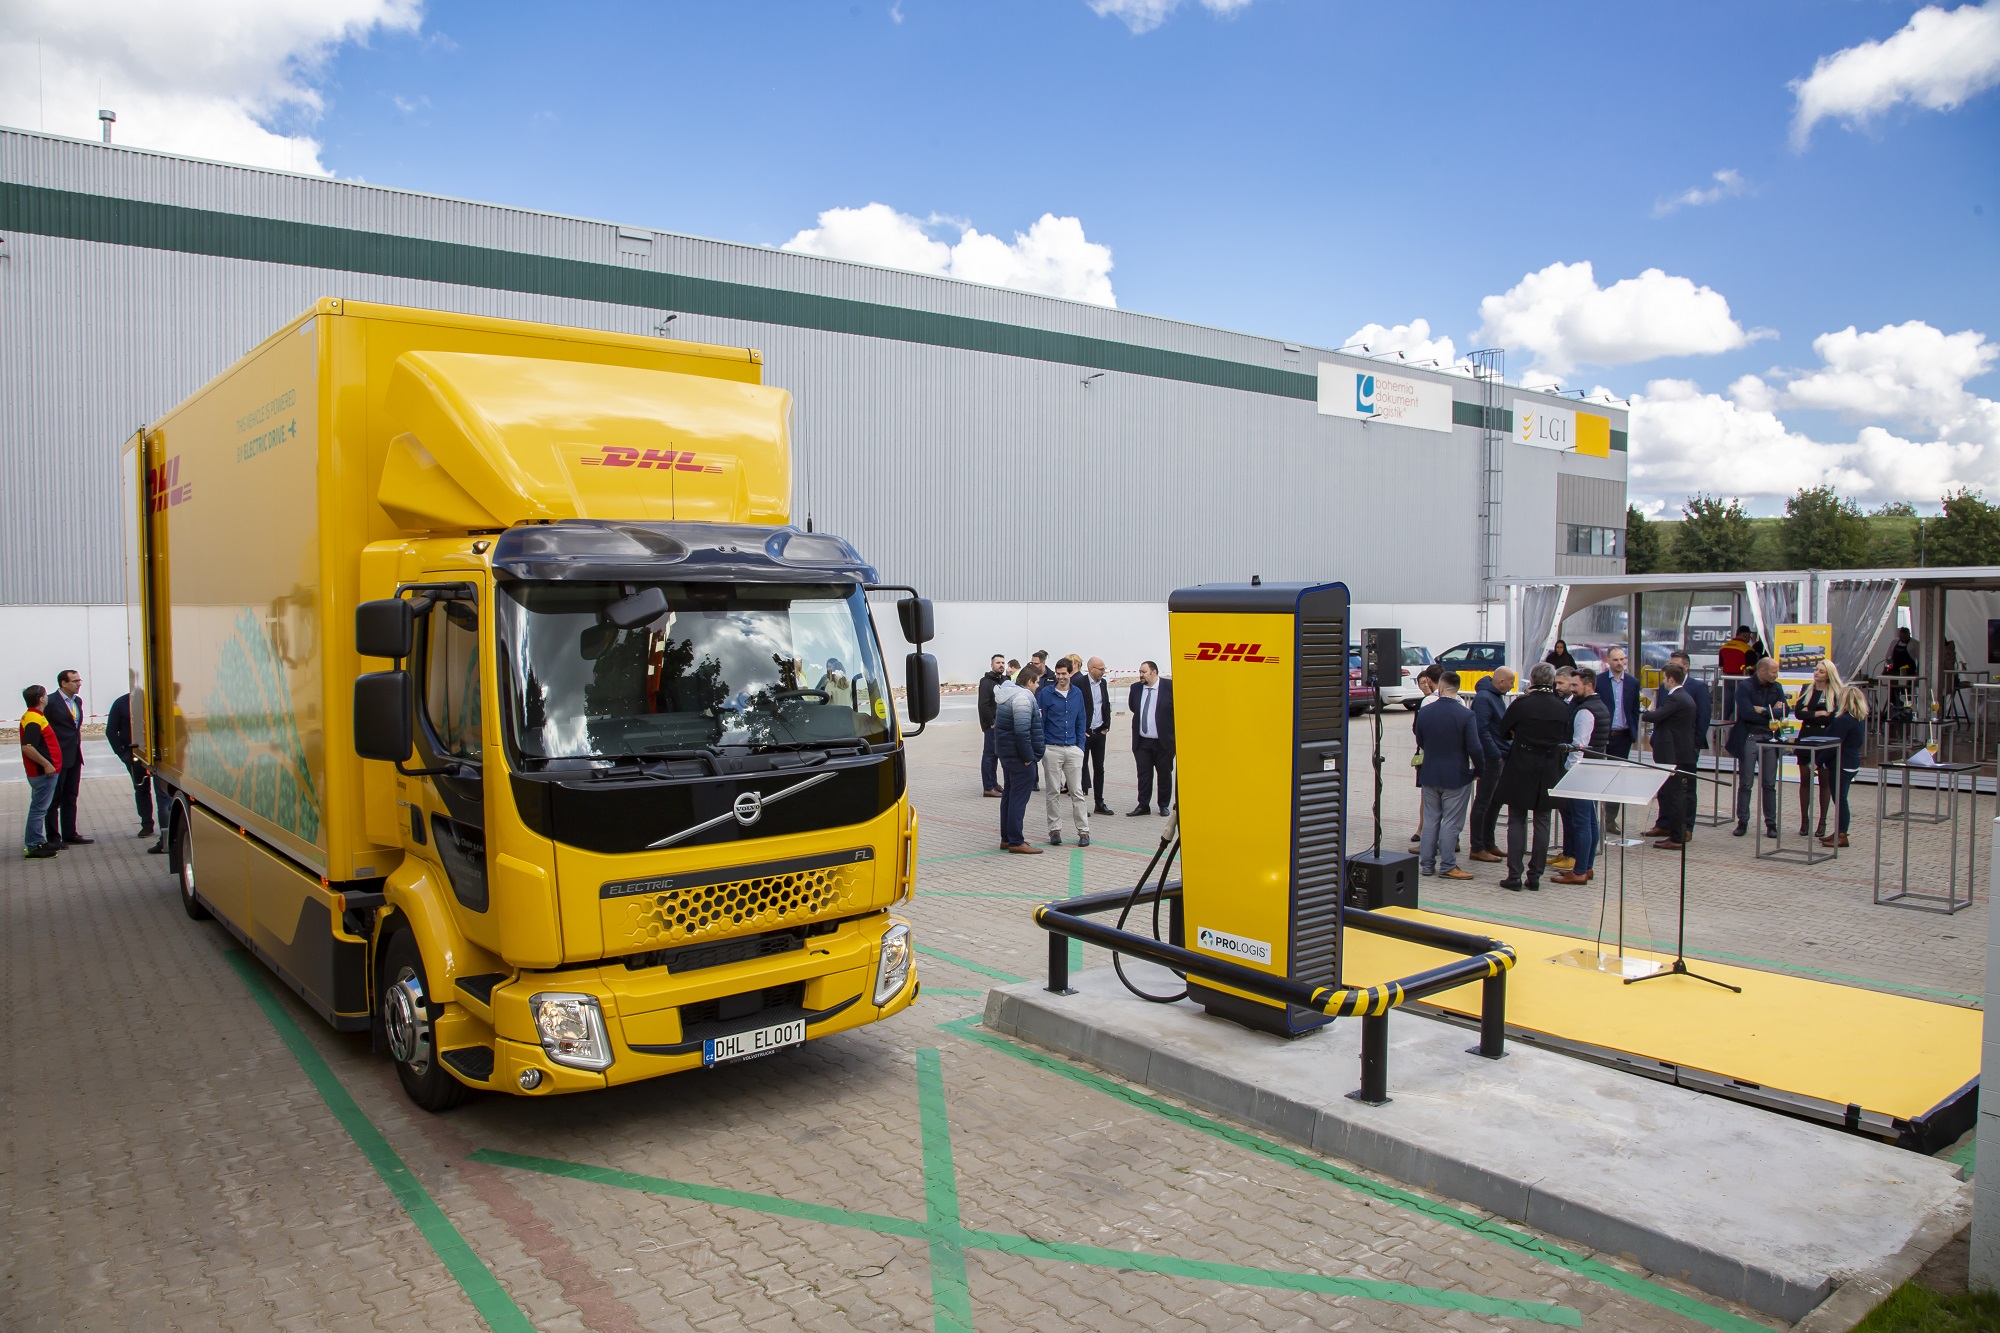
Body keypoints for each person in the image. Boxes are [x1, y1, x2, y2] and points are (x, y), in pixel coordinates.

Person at [1494, 663, 1572, 891]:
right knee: (1543, 820)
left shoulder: (1522, 705)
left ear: (1532, 679)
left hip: (1522, 764)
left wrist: (1517, 733)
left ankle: (1514, 875)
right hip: (1549, 767)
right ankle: (1535, 875)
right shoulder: (1561, 707)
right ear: (1552, 680)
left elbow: (1502, 731)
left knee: (1517, 819)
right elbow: (1565, 735)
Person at [1413, 670, 1481, 880]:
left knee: (1432, 819)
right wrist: (1479, 770)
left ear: (1440, 688)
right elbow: (1475, 747)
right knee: (1451, 821)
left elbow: (1420, 740)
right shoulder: (1466, 715)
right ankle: (1448, 865)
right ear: (1457, 689)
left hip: (1430, 772)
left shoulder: (1425, 711)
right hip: (1456, 774)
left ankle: (1426, 865)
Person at [1552, 668, 1610, 886]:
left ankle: (1579, 870)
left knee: (1582, 821)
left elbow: (1579, 745)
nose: (1572, 690)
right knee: (1591, 820)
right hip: (1595, 766)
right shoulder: (1600, 706)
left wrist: (1569, 770)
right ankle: (1586, 867)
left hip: (1582, 769)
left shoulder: (1585, 711)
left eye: (1575, 686)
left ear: (1588, 685)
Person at [1726, 657, 1789, 838]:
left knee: (1769, 784)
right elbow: (1746, 713)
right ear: (1762, 671)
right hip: (1749, 738)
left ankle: (1771, 824)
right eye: (1773, 671)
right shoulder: (1745, 687)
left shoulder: (1776, 687)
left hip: (1770, 739)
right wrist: (1771, 712)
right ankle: (1742, 821)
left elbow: (1784, 711)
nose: (1776, 675)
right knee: (1746, 783)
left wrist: (1762, 710)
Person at [1642, 663, 1699, 849]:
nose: (1663, 681)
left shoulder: (1675, 698)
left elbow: (1655, 716)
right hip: (1682, 752)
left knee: (1676, 795)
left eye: (1664, 677)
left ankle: (1676, 837)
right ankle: (1672, 830)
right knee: (1675, 794)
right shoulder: (1684, 697)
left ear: (1671, 679)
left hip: (1674, 754)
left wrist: (1646, 711)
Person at [1037, 660, 1091, 847]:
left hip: (1073, 749)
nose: (1060, 677)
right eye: (1058, 674)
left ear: (1070, 673)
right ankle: (1055, 830)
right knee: (1053, 791)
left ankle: (1083, 831)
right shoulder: (1045, 693)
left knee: (1077, 791)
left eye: (1064, 674)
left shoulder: (1077, 694)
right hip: (1052, 748)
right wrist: (1043, 747)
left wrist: (1080, 747)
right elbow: (1040, 721)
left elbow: (1081, 719)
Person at [991, 665, 1044, 855]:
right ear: (1029, 681)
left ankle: (1006, 838)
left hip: (1007, 754)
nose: (1038, 686)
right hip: (1019, 757)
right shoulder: (1022, 698)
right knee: (1018, 799)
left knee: (1010, 794)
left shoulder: (1007, 694)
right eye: (1037, 682)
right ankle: (1016, 841)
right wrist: (1029, 757)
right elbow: (1022, 732)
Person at [106, 691, 167, 849]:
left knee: (163, 794)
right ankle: (147, 824)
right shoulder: (121, 703)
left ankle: (166, 831)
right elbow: (111, 731)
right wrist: (122, 753)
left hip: (160, 756)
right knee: (141, 789)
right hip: (135, 755)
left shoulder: (159, 700)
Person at [1467, 666, 1515, 864]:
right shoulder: (1484, 699)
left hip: (1500, 756)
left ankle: (1488, 842)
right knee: (1483, 802)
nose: (1513, 687)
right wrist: (1495, 755)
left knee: (1495, 802)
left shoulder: (1495, 696)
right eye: (1511, 682)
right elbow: (1481, 730)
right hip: (1492, 759)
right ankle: (1477, 846)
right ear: (1501, 681)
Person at [1792, 660, 1842, 839]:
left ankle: (1822, 822)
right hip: (1805, 738)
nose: (1816, 673)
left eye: (1821, 671)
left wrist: (1812, 714)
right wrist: (1818, 713)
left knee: (1824, 781)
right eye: (1816, 670)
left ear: (1828, 674)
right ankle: (1804, 822)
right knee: (1805, 779)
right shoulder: (1807, 688)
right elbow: (1799, 713)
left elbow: (1832, 718)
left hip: (1824, 741)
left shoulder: (1835, 692)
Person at [43, 668, 90, 845]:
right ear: (63, 683)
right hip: (57, 757)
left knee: (71, 795)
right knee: (55, 798)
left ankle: (70, 833)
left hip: (74, 756)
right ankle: (54, 837)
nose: (79, 684)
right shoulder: (51, 702)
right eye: (75, 681)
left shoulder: (77, 701)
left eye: (80, 680)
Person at [1820, 684, 1869, 849]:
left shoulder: (1843, 720)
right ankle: (1839, 831)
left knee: (1840, 800)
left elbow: (1833, 744)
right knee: (1841, 799)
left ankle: (1842, 834)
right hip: (1851, 762)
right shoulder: (1859, 719)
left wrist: (1817, 761)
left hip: (1841, 763)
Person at [1598, 647, 1640, 834]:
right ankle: (1596, 816)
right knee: (1598, 776)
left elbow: (1634, 710)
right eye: (1616, 660)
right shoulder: (1599, 682)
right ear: (1608, 661)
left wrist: (1634, 733)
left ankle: (1610, 819)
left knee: (1618, 778)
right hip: (1602, 736)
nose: (1619, 663)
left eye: (1622, 659)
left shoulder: (1632, 683)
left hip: (1622, 736)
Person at [20, 685, 63, 859]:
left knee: (39, 808)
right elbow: (28, 747)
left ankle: (37, 840)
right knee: (38, 809)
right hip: (43, 773)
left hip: (44, 773)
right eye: (45, 695)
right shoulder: (33, 719)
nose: (47, 697)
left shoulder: (35, 716)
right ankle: (33, 845)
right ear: (41, 699)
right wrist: (46, 764)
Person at [1128, 661, 1175, 815]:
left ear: (1154, 672)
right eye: (1140, 671)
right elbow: (1133, 708)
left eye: (1144, 672)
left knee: (1164, 774)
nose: (1140, 675)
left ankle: (1163, 805)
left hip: (1163, 742)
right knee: (1143, 775)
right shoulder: (1135, 688)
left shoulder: (1169, 687)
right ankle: (1143, 805)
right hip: (1142, 741)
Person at [1078, 657, 1117, 817]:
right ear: (1091, 669)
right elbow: (1076, 707)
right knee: (1081, 768)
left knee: (1099, 769)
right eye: (1101, 669)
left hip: (1099, 733)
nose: (1103, 671)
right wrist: (1081, 728)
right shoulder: (1080, 683)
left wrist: (1107, 725)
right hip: (1085, 733)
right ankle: (1081, 806)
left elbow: (1105, 704)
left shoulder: (1103, 683)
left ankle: (1099, 803)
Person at [976, 654, 1008, 797]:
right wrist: (992, 722)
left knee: (996, 756)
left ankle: (994, 783)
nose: (1001, 665)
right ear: (991, 665)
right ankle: (988, 787)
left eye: (1002, 662)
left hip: (1004, 724)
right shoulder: (986, 682)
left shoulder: (1006, 680)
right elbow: (984, 704)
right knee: (989, 756)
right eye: (998, 663)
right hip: (993, 726)